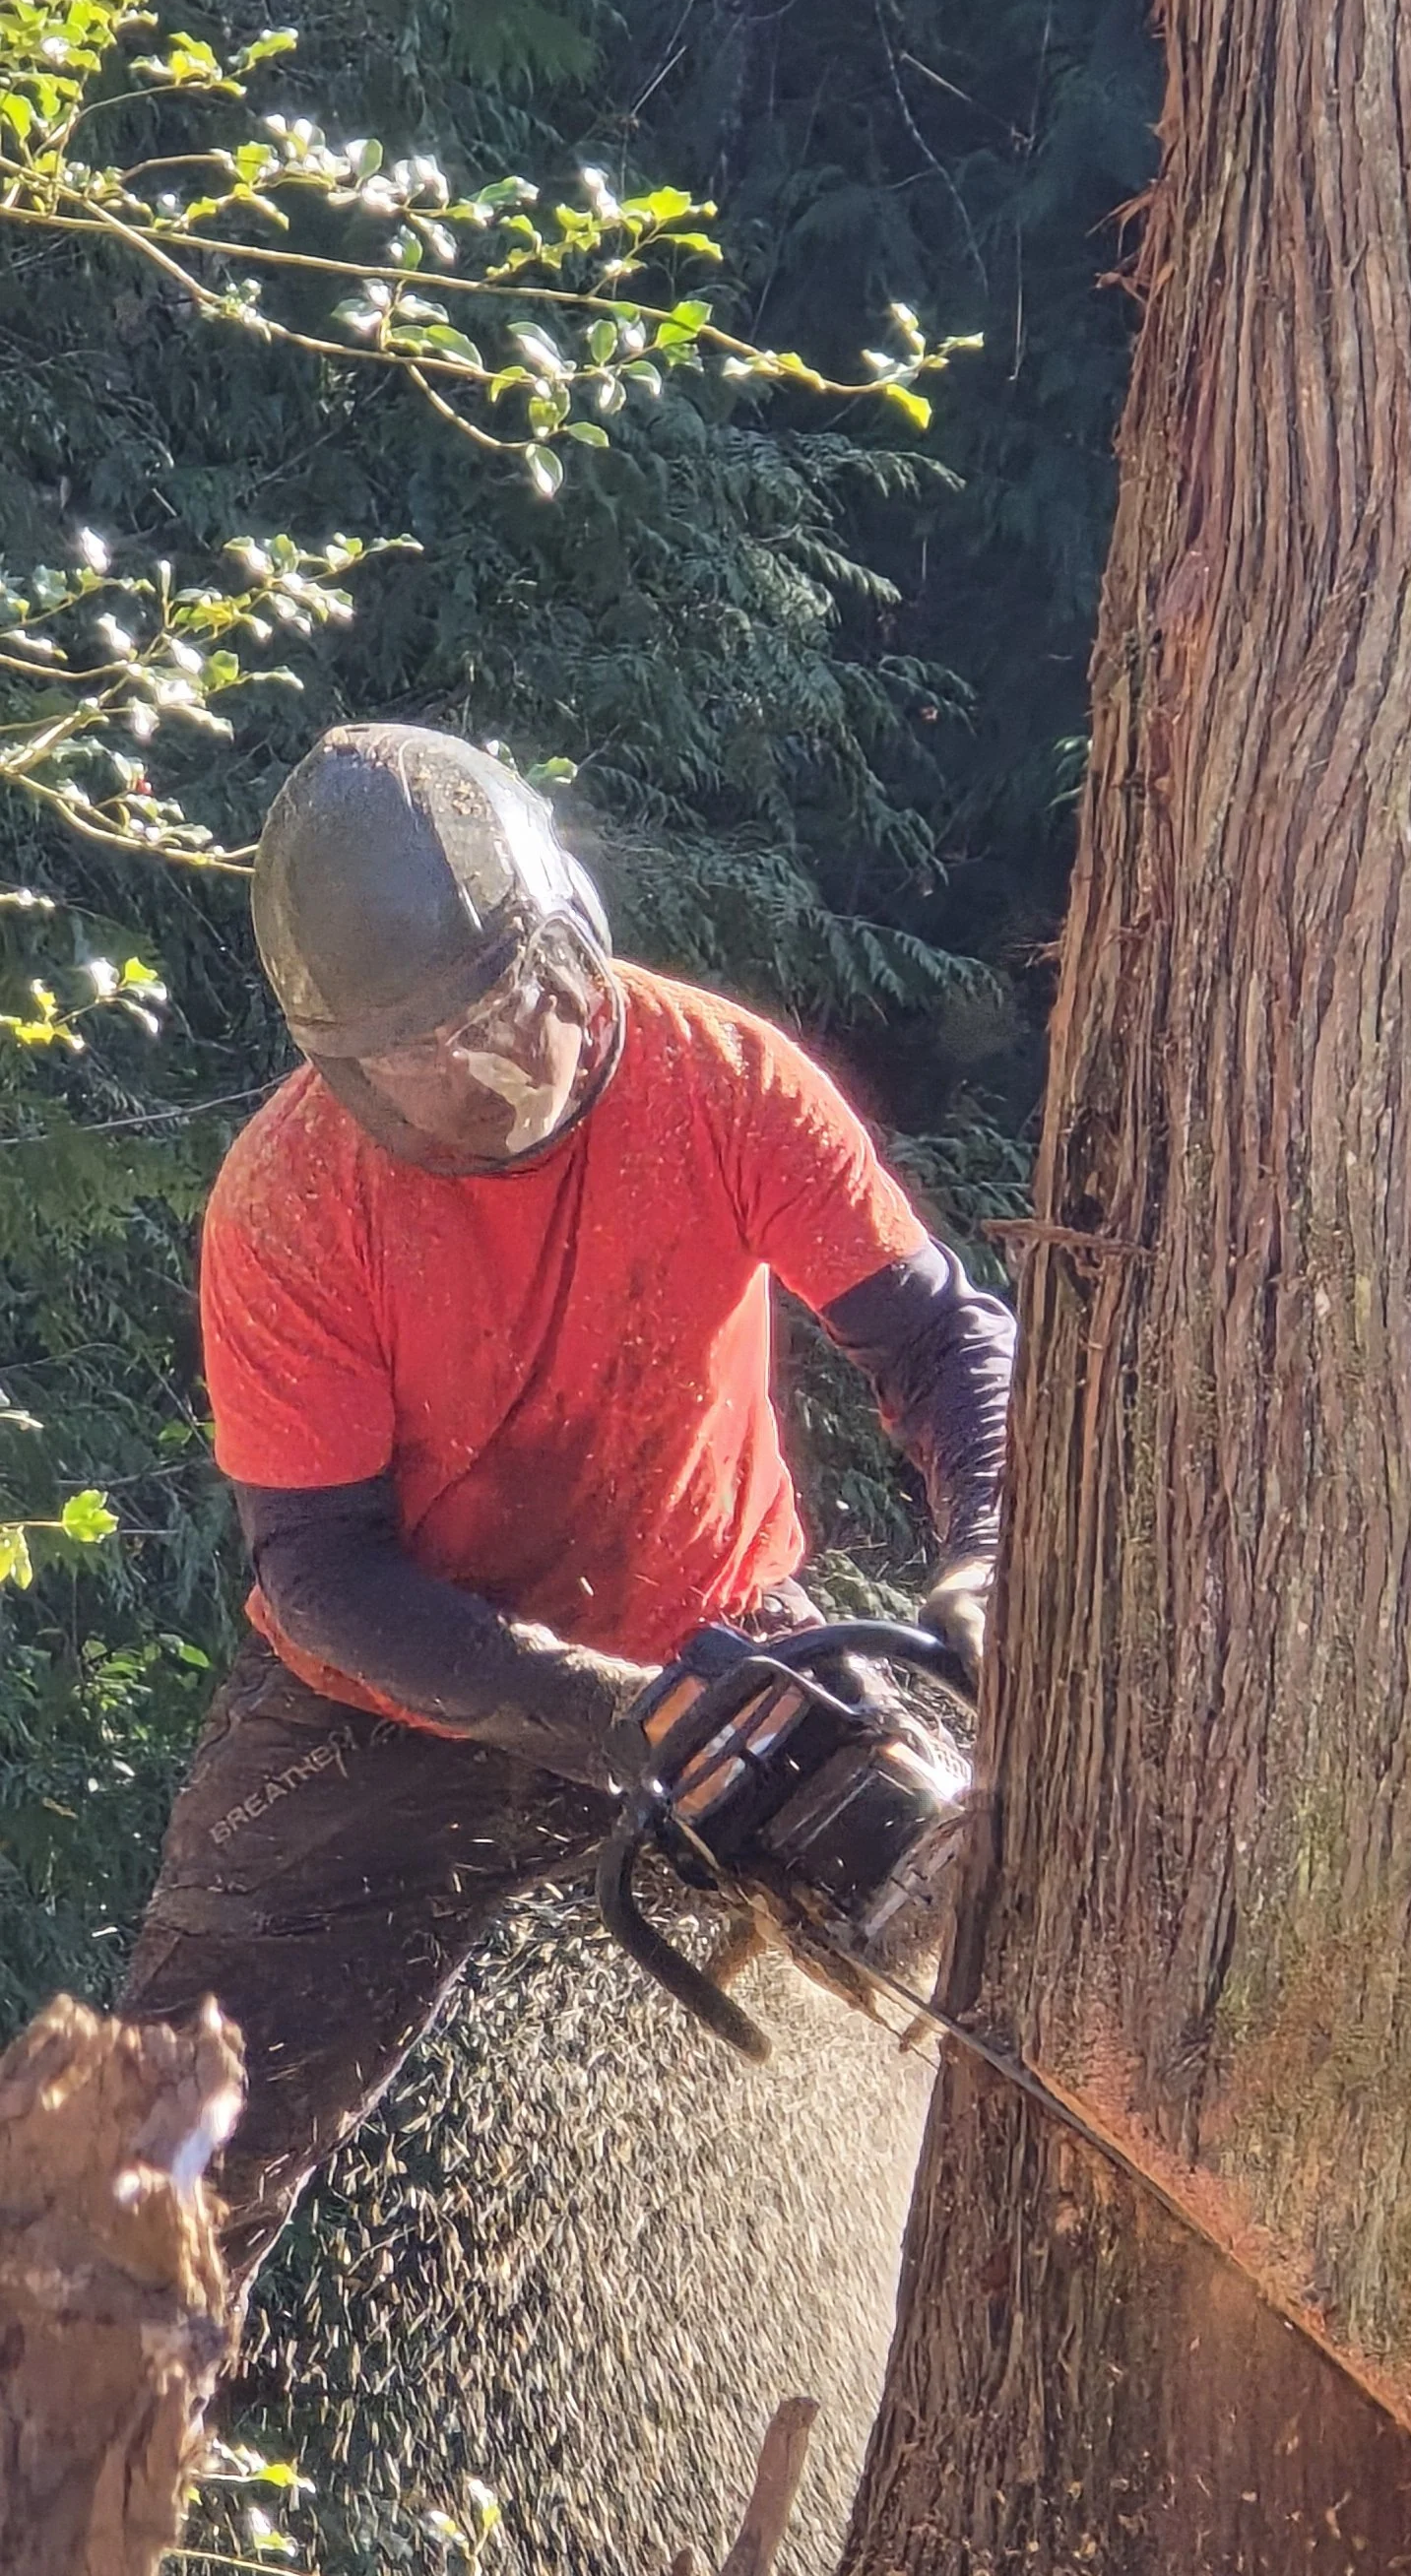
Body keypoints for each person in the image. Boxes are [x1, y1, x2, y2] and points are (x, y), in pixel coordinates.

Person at [120, 722, 1015, 2291]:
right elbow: (323, 1571)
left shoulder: (721, 1084)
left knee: (965, 1886)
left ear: (566, 929)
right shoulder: (292, 1206)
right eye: (419, 1055)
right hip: (386, 1699)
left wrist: (988, 1564)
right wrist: (602, 1712)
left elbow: (940, 1338)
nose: (484, 1072)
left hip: (721, 1642)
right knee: (153, 2169)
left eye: (501, 1009)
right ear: (345, 1059)